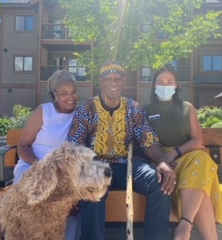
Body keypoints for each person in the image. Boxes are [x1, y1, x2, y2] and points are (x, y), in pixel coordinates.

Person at [67, 61, 175, 240]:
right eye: (108, 79)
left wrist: (162, 162)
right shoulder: (86, 109)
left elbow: (148, 139)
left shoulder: (133, 108)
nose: (113, 83)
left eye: (117, 79)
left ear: (123, 81)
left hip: (128, 165)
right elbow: (75, 146)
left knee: (159, 182)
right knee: (91, 188)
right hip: (96, 168)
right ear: (101, 82)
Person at [144, 64, 222, 240]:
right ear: (154, 85)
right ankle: (190, 229)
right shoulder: (145, 110)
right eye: (160, 82)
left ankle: (184, 225)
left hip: (187, 158)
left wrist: (174, 153)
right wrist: (163, 159)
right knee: (201, 191)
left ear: (176, 85)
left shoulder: (187, 108)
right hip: (162, 165)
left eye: (170, 82)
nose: (165, 85)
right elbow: (144, 142)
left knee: (201, 158)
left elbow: (197, 140)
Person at [13, 70, 81, 240]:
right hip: (33, 165)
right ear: (55, 94)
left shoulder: (81, 114)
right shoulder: (44, 111)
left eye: (73, 92)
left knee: (71, 198)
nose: (70, 97)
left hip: (64, 170)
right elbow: (22, 145)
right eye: (64, 93)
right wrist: (42, 167)